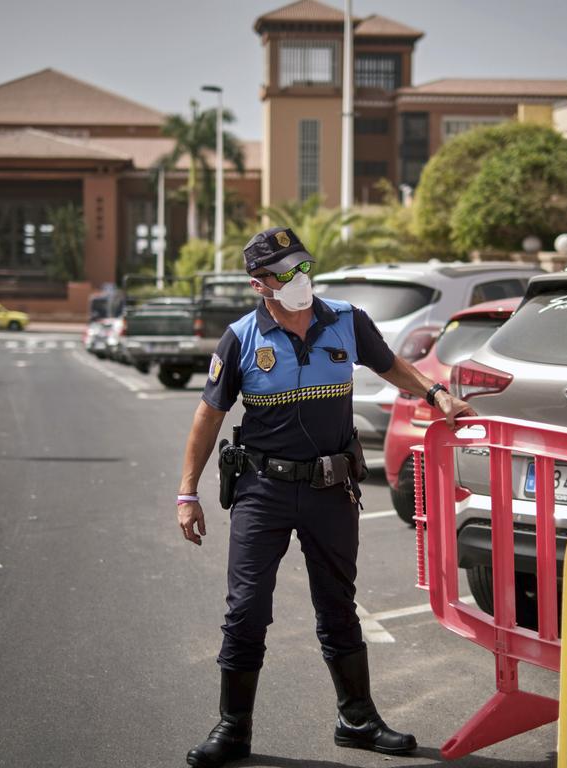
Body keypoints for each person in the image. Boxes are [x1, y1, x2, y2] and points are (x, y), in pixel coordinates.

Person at [177, 226, 474, 768]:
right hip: (262, 491)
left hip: (331, 490)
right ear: (257, 284)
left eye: (303, 266)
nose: (299, 279)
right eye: (285, 272)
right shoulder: (241, 337)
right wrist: (186, 492)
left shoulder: (346, 319)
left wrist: (435, 394)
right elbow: (209, 414)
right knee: (246, 612)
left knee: (338, 606)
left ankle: (357, 719)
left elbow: (390, 365)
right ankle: (233, 727)